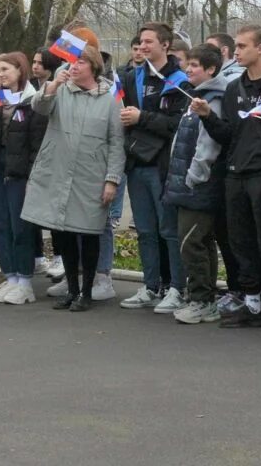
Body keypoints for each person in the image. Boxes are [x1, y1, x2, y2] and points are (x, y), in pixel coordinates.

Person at [198, 24, 261, 333]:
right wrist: (207, 117)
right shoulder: (234, 88)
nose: (235, 51)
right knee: (241, 241)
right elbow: (229, 134)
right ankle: (252, 303)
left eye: (242, 46)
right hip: (236, 175)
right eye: (236, 46)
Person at [22, 44, 124, 312]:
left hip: (91, 174)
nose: (73, 67)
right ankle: (72, 288)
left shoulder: (112, 95)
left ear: (93, 67)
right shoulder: (61, 90)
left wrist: (112, 179)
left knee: (88, 233)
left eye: (80, 62)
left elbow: (117, 141)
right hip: (58, 170)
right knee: (63, 233)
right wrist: (54, 84)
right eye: (71, 63)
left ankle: (87, 291)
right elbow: (38, 106)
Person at [115, 22, 188, 314]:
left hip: (163, 165)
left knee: (168, 229)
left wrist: (142, 117)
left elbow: (177, 124)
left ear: (165, 45)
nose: (143, 47)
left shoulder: (179, 80)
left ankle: (177, 288)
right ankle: (151, 285)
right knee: (144, 229)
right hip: (137, 163)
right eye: (141, 42)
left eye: (149, 42)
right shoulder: (133, 76)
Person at [166, 44, 230, 325]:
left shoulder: (213, 99)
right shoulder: (197, 95)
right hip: (189, 183)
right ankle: (206, 298)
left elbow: (208, 145)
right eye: (187, 64)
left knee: (191, 242)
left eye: (193, 66)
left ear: (211, 69)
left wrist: (194, 176)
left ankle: (202, 300)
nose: (187, 70)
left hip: (199, 184)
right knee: (200, 241)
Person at [0, 51, 44, 305]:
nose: (0, 76)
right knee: (1, 224)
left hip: (20, 172)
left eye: (5, 70)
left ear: (20, 70)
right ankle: (11, 276)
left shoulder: (33, 101)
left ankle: (25, 280)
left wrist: (32, 176)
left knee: (20, 228)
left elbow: (37, 144)